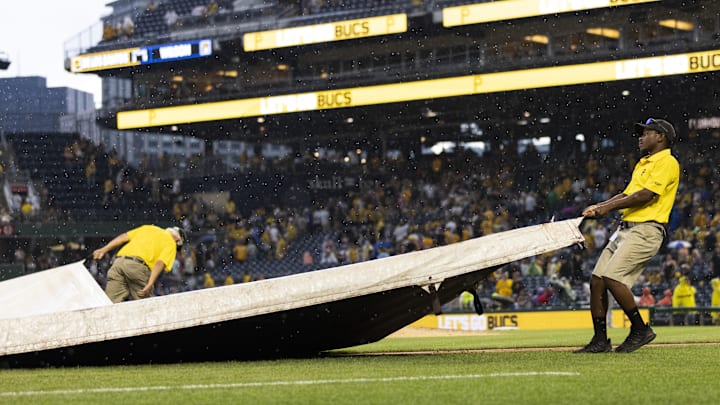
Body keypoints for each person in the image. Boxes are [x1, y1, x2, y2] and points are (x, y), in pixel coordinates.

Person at [575, 118, 680, 353]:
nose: (641, 137)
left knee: (613, 277)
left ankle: (640, 329)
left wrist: (607, 209)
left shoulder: (667, 162)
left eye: (646, 133)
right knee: (597, 280)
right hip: (626, 229)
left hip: (646, 230)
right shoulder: (644, 163)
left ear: (661, 137)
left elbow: (646, 195)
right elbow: (627, 193)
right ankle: (600, 340)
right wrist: (599, 206)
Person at [93, 225, 186, 303]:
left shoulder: (148, 228)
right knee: (146, 307)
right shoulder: (171, 243)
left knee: (110, 305)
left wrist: (104, 250)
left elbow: (124, 237)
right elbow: (160, 263)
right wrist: (150, 284)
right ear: (178, 240)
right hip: (137, 267)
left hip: (118, 263)